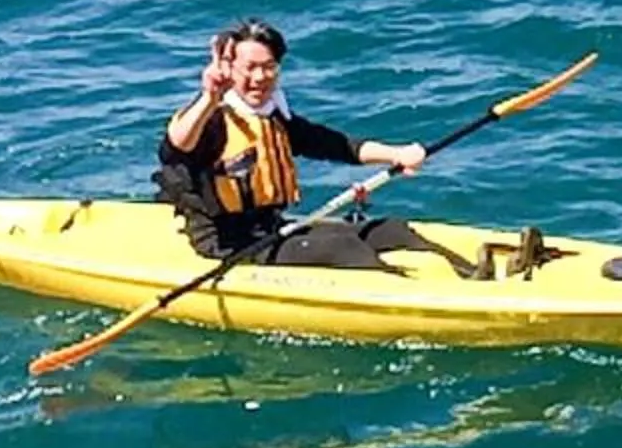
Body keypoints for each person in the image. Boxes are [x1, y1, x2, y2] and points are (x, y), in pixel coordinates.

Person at [154, 19, 481, 276]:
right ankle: (412, 297)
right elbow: (174, 149)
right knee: (343, 247)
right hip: (229, 244)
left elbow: (338, 146)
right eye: (249, 68)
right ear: (230, 69)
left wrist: (396, 154)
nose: (260, 77)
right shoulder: (212, 119)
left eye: (268, 66)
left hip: (271, 228)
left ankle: (473, 276)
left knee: (391, 230)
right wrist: (209, 97)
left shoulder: (274, 117)